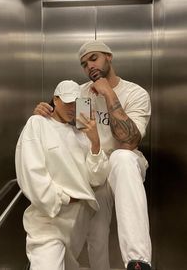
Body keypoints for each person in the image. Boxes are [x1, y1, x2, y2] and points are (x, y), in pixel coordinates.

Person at [33, 40, 152, 270]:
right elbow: (60, 122)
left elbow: (129, 141)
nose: (89, 66)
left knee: (122, 158)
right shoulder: (81, 94)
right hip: (94, 167)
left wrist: (109, 94)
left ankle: (138, 261)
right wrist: (44, 112)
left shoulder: (135, 93)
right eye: (84, 64)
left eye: (94, 58)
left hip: (124, 166)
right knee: (97, 236)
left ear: (109, 57)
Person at [15, 80, 109, 270]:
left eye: (77, 103)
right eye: (67, 102)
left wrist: (96, 142)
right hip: (48, 221)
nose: (72, 107)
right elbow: (31, 172)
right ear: (55, 100)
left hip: (77, 225)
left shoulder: (82, 135)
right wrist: (63, 199)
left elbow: (97, 178)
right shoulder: (38, 123)